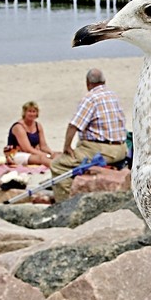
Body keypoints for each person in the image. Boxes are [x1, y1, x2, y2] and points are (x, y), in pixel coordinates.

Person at [50, 68, 127, 202]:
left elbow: (73, 125)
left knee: (58, 164)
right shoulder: (112, 95)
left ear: (87, 83)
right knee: (80, 150)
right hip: (121, 149)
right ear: (104, 81)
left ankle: (64, 202)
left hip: (102, 150)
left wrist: (67, 147)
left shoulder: (91, 98)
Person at [6, 101, 58, 167]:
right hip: (16, 153)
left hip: (33, 152)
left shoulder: (38, 125)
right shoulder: (18, 127)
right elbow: (27, 149)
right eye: (29, 111)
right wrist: (44, 155)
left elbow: (43, 146)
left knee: (57, 154)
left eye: (34, 111)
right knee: (42, 158)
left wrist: (51, 153)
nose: (32, 114)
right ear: (24, 112)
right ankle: (57, 168)